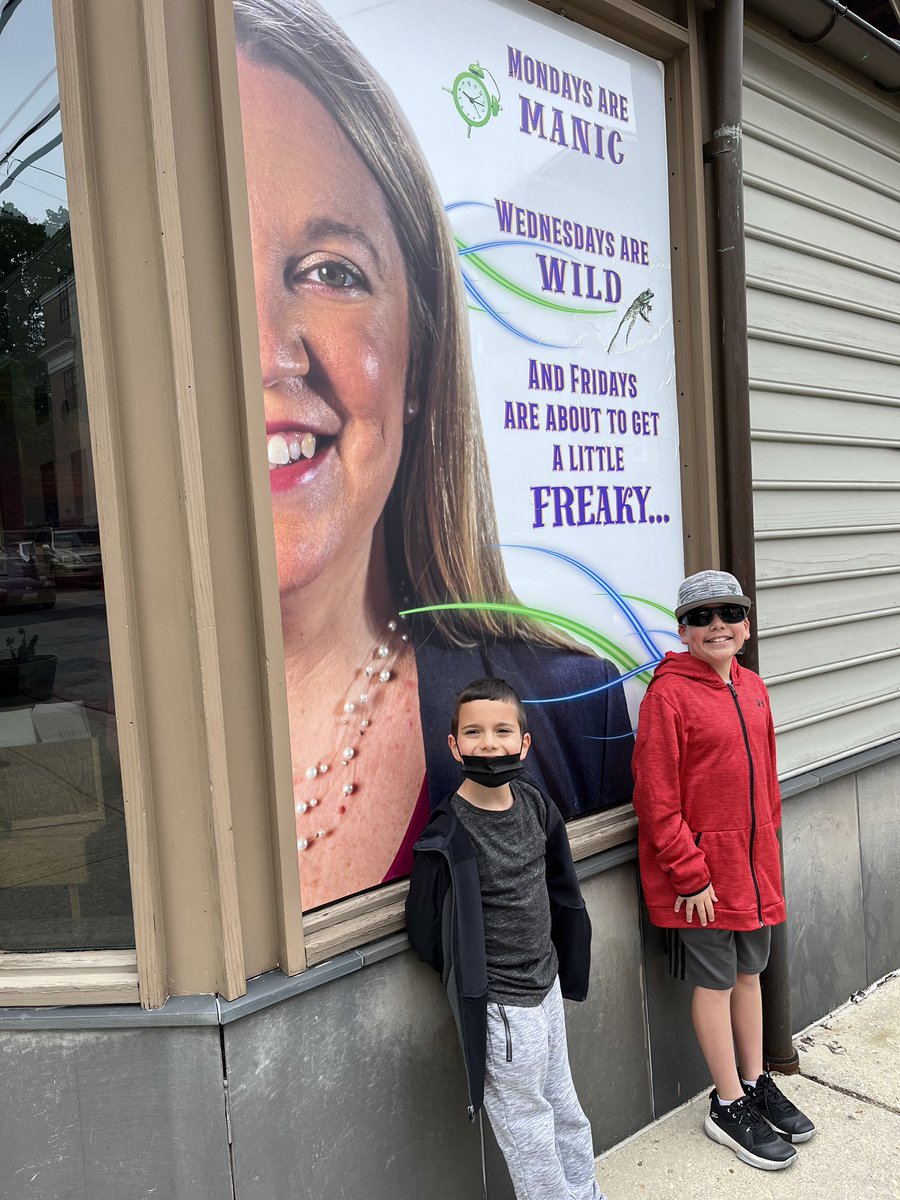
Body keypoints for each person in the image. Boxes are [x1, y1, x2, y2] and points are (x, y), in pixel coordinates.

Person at [233, 0, 633, 910]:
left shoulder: (571, 708)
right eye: (204, 277)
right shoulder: (97, 744)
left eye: (330, 271)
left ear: (418, 356)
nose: (268, 351)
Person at [632, 570, 816, 1171]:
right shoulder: (668, 697)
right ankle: (728, 1101)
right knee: (714, 982)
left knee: (748, 975)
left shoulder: (754, 687)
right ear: (683, 630)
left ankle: (756, 1081)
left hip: (753, 871)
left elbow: (767, 782)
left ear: (746, 626)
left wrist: (769, 855)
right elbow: (655, 799)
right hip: (702, 883)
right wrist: (690, 873)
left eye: (730, 614)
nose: (718, 626)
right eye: (702, 617)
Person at [406, 677, 607, 1200]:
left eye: (502, 731)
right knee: (528, 1127)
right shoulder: (447, 834)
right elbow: (426, 931)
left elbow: (559, 882)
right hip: (502, 1008)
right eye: (474, 732)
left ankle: (586, 1192)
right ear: (454, 746)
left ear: (524, 741)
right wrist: (480, 978)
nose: (489, 744)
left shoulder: (535, 803)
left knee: (564, 1105)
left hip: (547, 988)